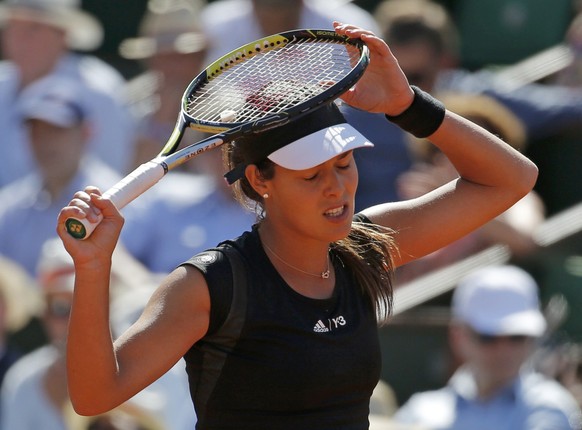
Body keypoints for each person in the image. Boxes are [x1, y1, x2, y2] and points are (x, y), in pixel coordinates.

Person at [56, 22, 538, 429]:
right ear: (259, 180)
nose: (338, 188)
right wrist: (94, 266)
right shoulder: (208, 286)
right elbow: (96, 396)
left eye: (345, 164)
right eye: (311, 175)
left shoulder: (366, 246)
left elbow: (513, 179)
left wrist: (406, 104)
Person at [393, 265, 582, 429]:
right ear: (458, 336)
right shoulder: (420, 410)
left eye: (517, 337)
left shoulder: (550, 408)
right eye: (487, 337)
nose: (504, 349)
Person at [0, 238, 160, 430]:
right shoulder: (22, 381)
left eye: (90, 304)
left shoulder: (155, 372)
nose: (73, 320)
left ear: (114, 306)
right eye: (60, 308)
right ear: (44, 315)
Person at [0, 75, 133, 277]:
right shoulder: (10, 206)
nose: (45, 142)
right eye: (36, 131)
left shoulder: (121, 200)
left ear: (87, 132)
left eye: (56, 130)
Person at [0, 0, 136, 188]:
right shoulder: (3, 81)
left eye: (33, 28)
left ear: (63, 36)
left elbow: (111, 179)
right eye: (12, 27)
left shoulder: (97, 91)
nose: (18, 38)